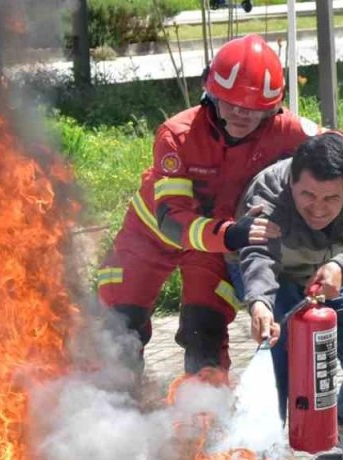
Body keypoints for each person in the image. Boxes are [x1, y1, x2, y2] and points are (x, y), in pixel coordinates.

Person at [96, 34, 315, 377]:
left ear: (272, 107)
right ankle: (120, 417)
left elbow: (338, 147)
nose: (242, 115)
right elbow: (171, 220)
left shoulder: (283, 128)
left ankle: (203, 420)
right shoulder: (177, 135)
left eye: (254, 109)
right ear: (211, 94)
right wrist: (230, 235)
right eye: (232, 104)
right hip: (151, 238)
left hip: (212, 245)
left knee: (205, 333)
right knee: (118, 326)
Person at [237, 134, 343, 460]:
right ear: (291, 181)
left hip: (333, 278)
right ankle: (266, 451)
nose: (318, 208)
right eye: (307, 195)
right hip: (276, 283)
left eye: (330, 198)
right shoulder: (268, 189)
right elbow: (256, 254)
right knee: (277, 368)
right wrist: (260, 304)